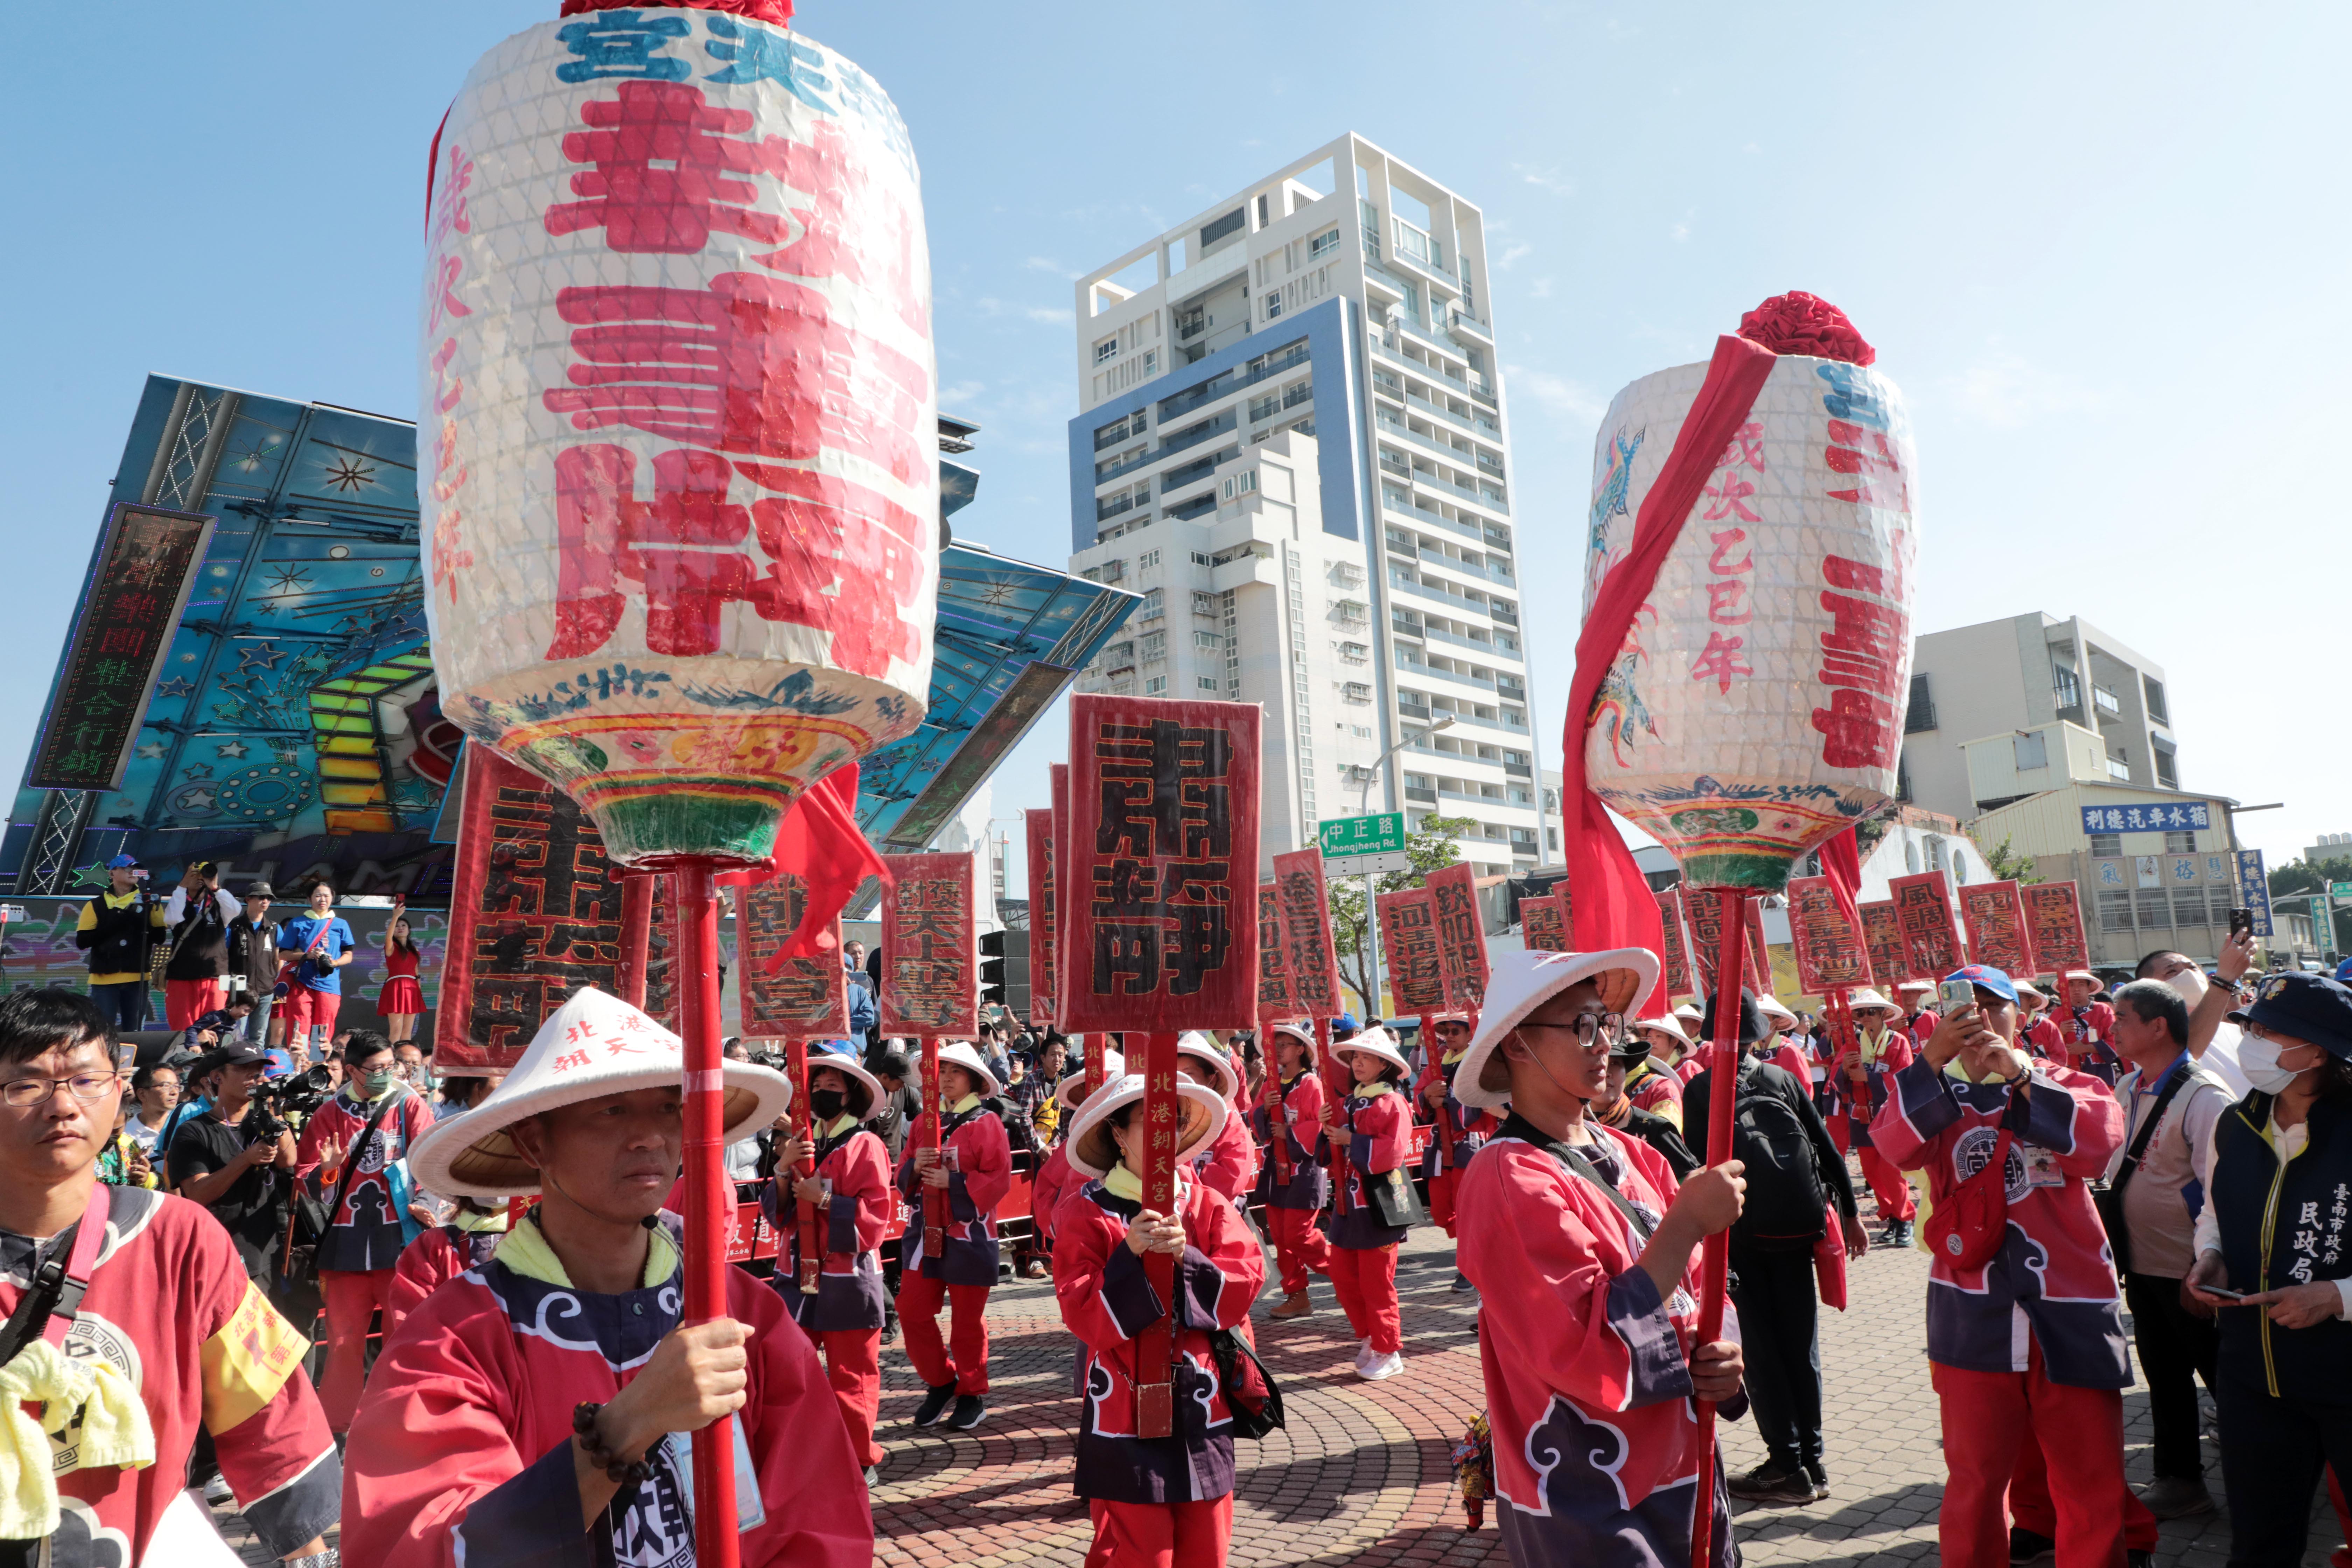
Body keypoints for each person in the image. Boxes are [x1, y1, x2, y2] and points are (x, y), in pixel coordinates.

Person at [345, 986, 870, 1566]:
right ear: (533, 1139)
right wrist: (626, 1425)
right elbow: (431, 1546)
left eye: (670, 1106)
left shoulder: (744, 1313)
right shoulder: (452, 1339)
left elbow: (820, 1526)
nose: (652, 1135)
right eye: (613, 1108)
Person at [0, 989, 340, 1562]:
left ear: (117, 1096)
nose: (61, 1106)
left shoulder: (177, 1238)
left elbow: (264, 1410)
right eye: (27, 1085)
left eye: (85, 1080)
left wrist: (308, 1556)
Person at [1450, 948, 1748, 1563]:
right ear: (1516, 1046)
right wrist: (1688, 1222)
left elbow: (1702, 1287)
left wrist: (1722, 1352)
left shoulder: (1637, 1154)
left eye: (1606, 1025)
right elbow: (1579, 1343)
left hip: (1688, 1463)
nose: (1604, 1044)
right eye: (1581, 1026)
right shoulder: (1506, 1174)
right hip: (1587, 1490)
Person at [1868, 963, 2142, 1568]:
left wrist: (2018, 1074)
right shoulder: (1932, 1093)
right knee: (1974, 1482)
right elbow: (1891, 1148)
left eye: (1998, 1006)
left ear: (2022, 1014)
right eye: (1966, 1006)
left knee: (2090, 1482)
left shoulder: (2064, 1080)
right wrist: (1927, 1065)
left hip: (2071, 1307)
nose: (1983, 1019)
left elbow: (2098, 1147)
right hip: (1972, 1313)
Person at [2174, 972, 2352, 1566]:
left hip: (2345, 1372)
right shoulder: (2236, 1122)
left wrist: (2336, 1295)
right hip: (2254, 1377)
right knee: (2259, 1544)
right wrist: (2210, 1257)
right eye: (2249, 1026)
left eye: (2268, 1031)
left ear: (2316, 1049)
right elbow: (2215, 1212)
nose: (2250, 1039)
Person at [1053, 1070, 1262, 1568]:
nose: (1168, 1134)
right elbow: (1081, 1312)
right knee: (1141, 1554)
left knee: (1207, 1548)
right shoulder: (1085, 1215)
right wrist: (1130, 1254)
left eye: (1177, 1121)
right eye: (1152, 1122)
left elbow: (1246, 1281)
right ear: (1118, 1135)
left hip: (1201, 1404)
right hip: (1123, 1407)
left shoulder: (1206, 1204)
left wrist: (1187, 1257)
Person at [1684, 990, 1867, 1506]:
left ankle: (1786, 1466)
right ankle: (1813, 1461)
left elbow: (1695, 1166)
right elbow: (1827, 1149)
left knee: (1761, 1354)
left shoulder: (1701, 1089)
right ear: (1755, 1033)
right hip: (1796, 1235)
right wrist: (1850, 1215)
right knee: (1801, 1350)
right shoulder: (1782, 1078)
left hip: (1738, 1239)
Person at [2104, 977, 2232, 1522]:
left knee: (2228, 1381)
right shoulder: (2128, 1087)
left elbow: (2220, 1194)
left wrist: (2209, 1266)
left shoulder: (2205, 1098)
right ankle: (2182, 1482)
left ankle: (2269, 1485)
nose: (2112, 1028)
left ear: (2158, 1026)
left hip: (2190, 1272)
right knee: (2166, 1378)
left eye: (2123, 1018)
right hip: (2144, 1265)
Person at [293, 1029, 437, 1436]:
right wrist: (328, 1169)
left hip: (401, 1239)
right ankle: (338, 1428)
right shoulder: (329, 1112)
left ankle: (402, 1423)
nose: (385, 1074)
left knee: (404, 1335)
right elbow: (305, 1178)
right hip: (347, 1243)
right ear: (352, 1070)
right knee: (343, 1343)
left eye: (390, 1066)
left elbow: (429, 1160)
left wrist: (425, 1204)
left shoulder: (409, 1103)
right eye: (375, 1069)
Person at [768, 1044, 893, 1479]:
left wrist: (822, 1199)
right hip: (798, 1271)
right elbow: (777, 1215)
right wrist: (783, 1170)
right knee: (788, 1366)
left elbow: (875, 1217)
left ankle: (860, 1455)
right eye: (816, 1085)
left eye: (832, 1086)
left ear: (851, 1095)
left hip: (847, 1275)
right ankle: (800, 1448)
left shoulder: (866, 1144)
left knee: (852, 1373)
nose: (822, 1091)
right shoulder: (803, 1143)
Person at [896, 1041, 1012, 1431]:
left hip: (969, 1237)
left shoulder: (987, 1123)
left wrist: (954, 1182)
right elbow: (902, 1177)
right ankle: (942, 1381)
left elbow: (998, 1179)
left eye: (955, 1072)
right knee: (910, 1311)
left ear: (975, 1079)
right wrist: (915, 1166)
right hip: (923, 1233)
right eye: (941, 1071)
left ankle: (972, 1391)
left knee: (967, 1322)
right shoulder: (920, 1124)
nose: (945, 1078)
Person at [1316, 1026, 1414, 1380]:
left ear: (1384, 1064)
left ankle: (1389, 1349)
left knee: (1377, 1282)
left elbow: (1392, 1153)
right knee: (1342, 1274)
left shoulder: (1394, 1103)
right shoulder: (1344, 1102)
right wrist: (1327, 1130)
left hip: (1379, 1205)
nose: (1358, 1062)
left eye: (1366, 1057)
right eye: (1355, 1056)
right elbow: (1326, 1153)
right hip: (1346, 1203)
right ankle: (1371, 1335)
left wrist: (1349, 1138)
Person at [168, 1041, 300, 1285]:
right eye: (244, 1069)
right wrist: (246, 1160)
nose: (254, 1076)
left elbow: (289, 1160)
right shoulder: (194, 1131)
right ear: (217, 1077)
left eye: (259, 1070)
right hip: (215, 1254)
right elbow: (197, 1194)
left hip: (264, 1252)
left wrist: (275, 1113)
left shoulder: (265, 1121)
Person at [1253, 1022, 1332, 1320]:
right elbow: (1255, 1118)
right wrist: (1263, 1110)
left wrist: (1289, 1131)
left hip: (1304, 1168)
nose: (1277, 1051)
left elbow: (1319, 1123)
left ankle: (1344, 1269)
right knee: (1282, 1238)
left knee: (1299, 1235)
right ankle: (1296, 1296)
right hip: (1277, 1168)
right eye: (1274, 1046)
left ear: (1301, 1049)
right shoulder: (1270, 1084)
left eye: (1284, 1045)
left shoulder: (1310, 1082)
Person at [1413, 1012, 1496, 1288]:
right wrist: (1427, 1096)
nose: (1448, 1037)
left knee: (1468, 1207)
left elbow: (1478, 1099)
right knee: (1441, 1210)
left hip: (1471, 1140)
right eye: (1445, 1031)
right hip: (1439, 1142)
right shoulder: (1436, 1063)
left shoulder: (1481, 1060)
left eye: (1455, 1031)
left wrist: (1444, 1098)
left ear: (1471, 1034)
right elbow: (1419, 1094)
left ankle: (1471, 1265)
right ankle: (1472, 1254)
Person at [1837, 988, 1919, 1246]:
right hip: (1861, 1115)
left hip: (1890, 1115)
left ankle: (1905, 1219)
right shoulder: (1851, 1045)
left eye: (1871, 1011)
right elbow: (1835, 1082)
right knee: (1871, 1171)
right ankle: (1892, 1216)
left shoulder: (1898, 1042)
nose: (1866, 1017)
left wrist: (1869, 1078)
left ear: (1884, 1014)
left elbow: (1905, 1079)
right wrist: (1844, 1070)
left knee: (1890, 1171)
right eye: (1860, 1013)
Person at [1030, 1044, 1124, 1253]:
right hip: (1085, 1250)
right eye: (1099, 1089)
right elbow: (1045, 1195)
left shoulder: (1157, 1145)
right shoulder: (1074, 1145)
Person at [2138, 937, 2255, 1098]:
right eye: (2172, 971)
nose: (2189, 975)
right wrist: (2225, 979)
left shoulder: (2237, 1032)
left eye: (2193, 968)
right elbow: (2186, 1052)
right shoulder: (2149, 1040)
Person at [74, 853, 163, 1031]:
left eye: (135, 868)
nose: (132, 872)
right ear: (112, 873)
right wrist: (116, 923)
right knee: (102, 1032)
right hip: (103, 980)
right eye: (127, 868)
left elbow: (160, 937)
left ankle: (135, 1060)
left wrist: (146, 914)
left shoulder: (149, 901)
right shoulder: (96, 905)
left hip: (137, 978)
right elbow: (82, 941)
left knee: (135, 1032)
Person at [1594, 1030, 1700, 1178]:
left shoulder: (1656, 1130)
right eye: (1599, 1062)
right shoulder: (1568, 1128)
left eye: (1615, 1064)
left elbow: (1689, 1183)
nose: (1606, 1072)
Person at [276, 883, 357, 1061]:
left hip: (329, 985)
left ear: (332, 898)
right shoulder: (298, 923)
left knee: (323, 1029)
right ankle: (298, 1067)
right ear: (309, 899)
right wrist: (308, 955)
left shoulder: (340, 924)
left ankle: (317, 1066)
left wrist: (334, 962)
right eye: (318, 896)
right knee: (300, 1027)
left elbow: (349, 955)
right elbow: (283, 953)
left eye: (327, 896)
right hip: (301, 984)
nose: (323, 900)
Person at [1175, 1032, 1258, 1205]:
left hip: (1216, 1212)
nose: (1182, 1081)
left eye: (1189, 1074)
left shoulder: (1229, 1120)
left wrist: (1180, 1175)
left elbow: (1232, 1176)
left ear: (1211, 1080)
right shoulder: (1168, 1115)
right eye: (1176, 1075)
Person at [160, 859, 242, 1030]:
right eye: (195, 875)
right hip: (182, 976)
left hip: (215, 975)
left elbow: (236, 910)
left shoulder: (219, 905)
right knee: (182, 1027)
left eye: (203, 875)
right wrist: (183, 886)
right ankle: (185, 1057)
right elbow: (171, 918)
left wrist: (215, 887)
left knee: (214, 1025)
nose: (200, 879)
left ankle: (211, 1058)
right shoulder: (181, 903)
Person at [229, 881, 282, 1046]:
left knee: (258, 1038)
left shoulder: (274, 928)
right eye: (261, 897)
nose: (265, 901)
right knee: (234, 1035)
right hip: (240, 991)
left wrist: (277, 981)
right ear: (248, 899)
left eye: (268, 898)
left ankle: (256, 1070)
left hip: (266, 990)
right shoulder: (234, 926)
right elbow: (223, 956)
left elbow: (279, 958)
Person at [2054, 968, 2121, 1086]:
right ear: (2064, 989)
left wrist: (2086, 1048)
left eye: (2081, 984)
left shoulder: (2103, 1010)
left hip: (2100, 1071)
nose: (2076, 989)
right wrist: (2060, 1033)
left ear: (2089, 988)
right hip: (2067, 1073)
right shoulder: (2057, 1014)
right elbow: (2048, 1047)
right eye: (2071, 985)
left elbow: (2116, 1040)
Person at [376, 911, 427, 1044]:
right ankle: (391, 1060)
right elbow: (388, 938)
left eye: (404, 925)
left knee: (407, 1033)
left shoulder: (415, 950)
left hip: (412, 990)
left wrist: (418, 989)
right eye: (397, 926)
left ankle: (405, 1060)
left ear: (409, 930)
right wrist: (395, 917)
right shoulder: (391, 947)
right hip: (396, 988)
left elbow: (416, 972)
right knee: (396, 1031)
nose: (400, 928)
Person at [124, 1059, 180, 1154]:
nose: (174, 1092)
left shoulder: (182, 1127)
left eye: (177, 1086)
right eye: (165, 1086)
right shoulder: (126, 1134)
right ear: (142, 1094)